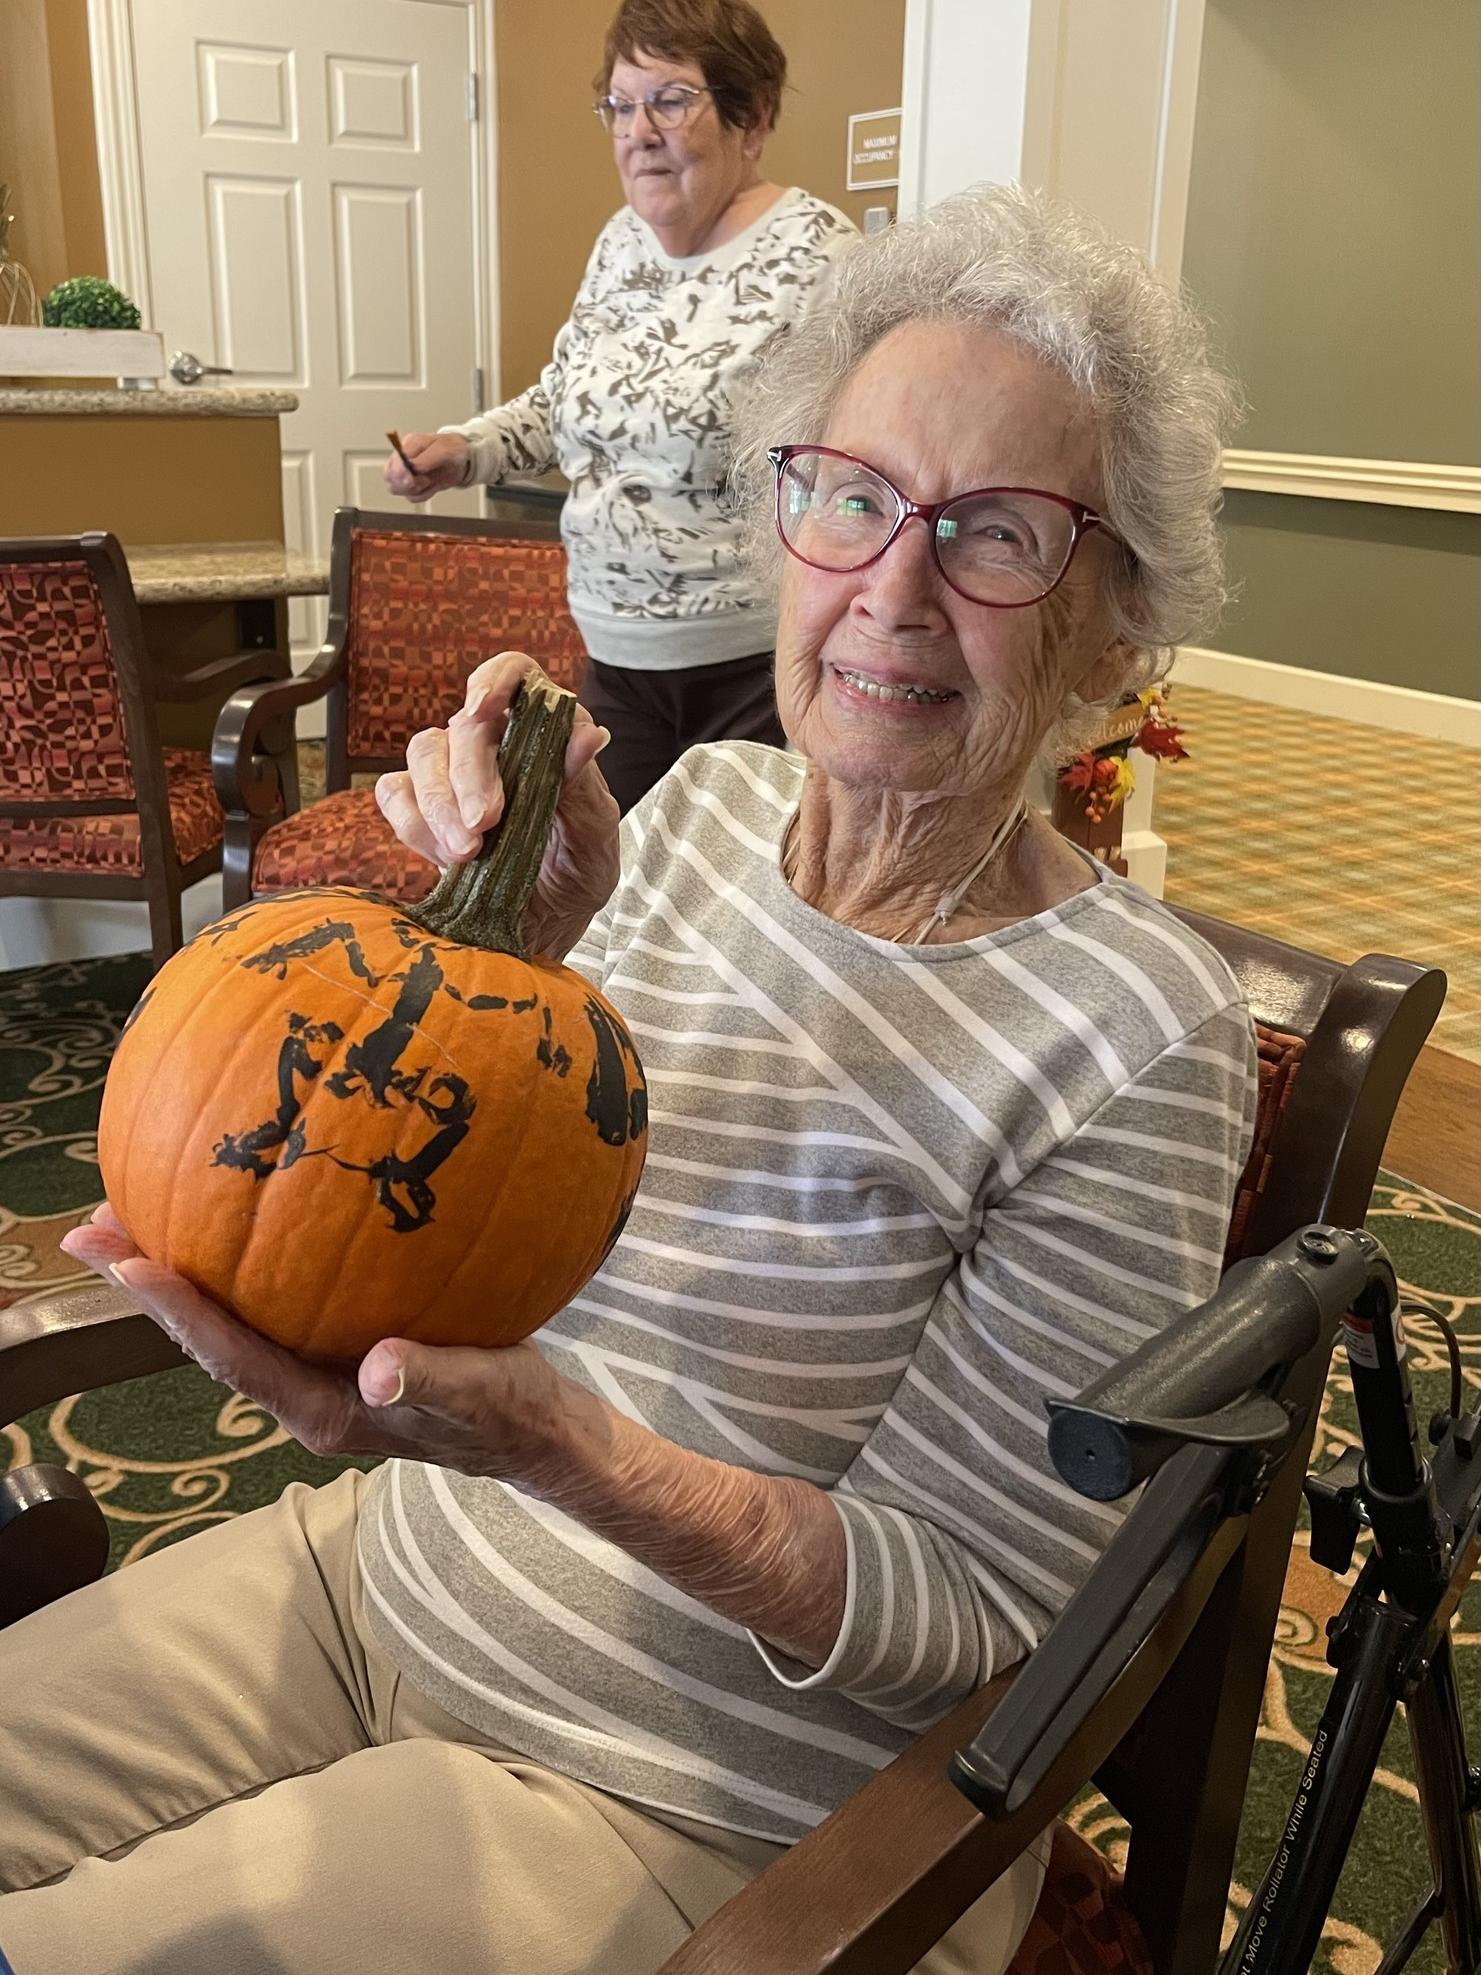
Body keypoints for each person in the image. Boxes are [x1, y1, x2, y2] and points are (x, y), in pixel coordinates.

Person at [2, 185, 1255, 1975]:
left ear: (1117, 627)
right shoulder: (715, 806)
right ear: (786, 519)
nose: (892, 588)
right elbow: (513, 1168)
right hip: (385, 1571)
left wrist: (566, 1453)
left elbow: (980, 1611)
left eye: (994, 538)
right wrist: (529, 940)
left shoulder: (1137, 1027)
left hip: (702, 1794)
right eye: (853, 496)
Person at [384, 0, 858, 815]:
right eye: (619, 103)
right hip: (614, 658)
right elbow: (566, 394)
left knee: (727, 907)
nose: (639, 130)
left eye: (671, 100)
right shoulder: (620, 244)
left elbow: (856, 463)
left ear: (751, 116)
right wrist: (465, 449)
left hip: (751, 668)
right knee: (608, 895)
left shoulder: (819, 256)